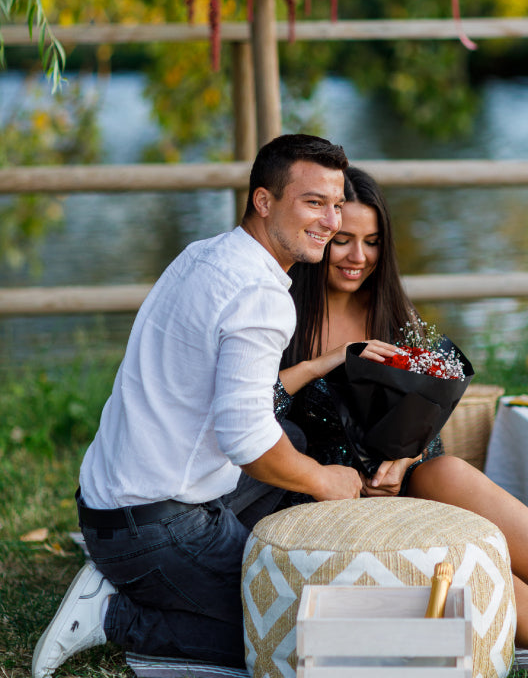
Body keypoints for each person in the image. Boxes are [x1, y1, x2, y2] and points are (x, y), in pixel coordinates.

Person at [275, 165, 528, 678]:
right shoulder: (281, 311)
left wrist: (403, 460)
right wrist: (324, 362)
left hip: (391, 484)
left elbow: (423, 421)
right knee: (450, 537)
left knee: (444, 472)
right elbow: (252, 413)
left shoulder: (388, 312)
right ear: (319, 237)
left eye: (373, 241)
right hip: (315, 491)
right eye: (343, 241)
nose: (359, 257)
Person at [32, 134, 364, 678]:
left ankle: (179, 576)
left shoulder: (206, 253)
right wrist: (325, 481)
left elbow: (241, 414)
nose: (331, 220)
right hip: (153, 525)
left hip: (109, 500)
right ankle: (116, 616)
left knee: (296, 442)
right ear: (263, 200)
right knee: (304, 639)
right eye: (313, 202)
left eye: (335, 203)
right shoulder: (260, 296)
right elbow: (248, 442)